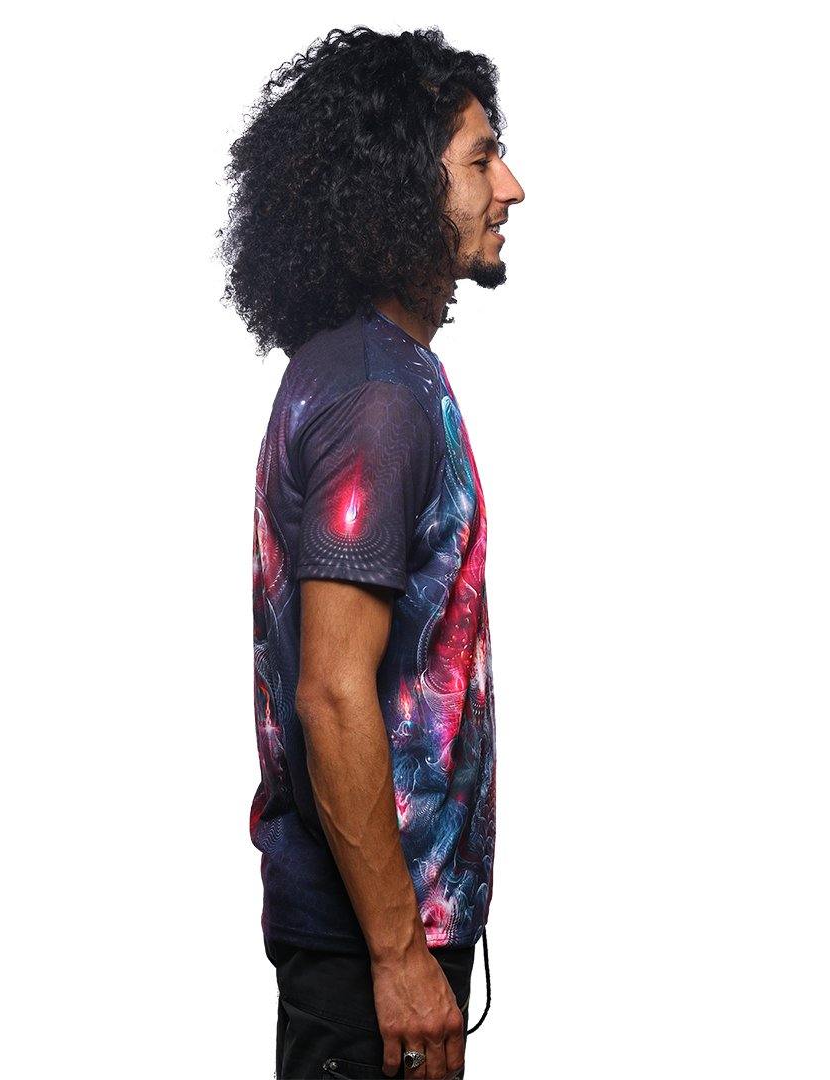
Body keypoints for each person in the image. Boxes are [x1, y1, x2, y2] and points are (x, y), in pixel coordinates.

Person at [218, 26, 525, 1080]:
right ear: (402, 189)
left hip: (377, 933)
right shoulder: (377, 396)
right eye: (481, 160)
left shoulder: (365, 369)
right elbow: (333, 691)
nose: (510, 188)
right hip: (372, 948)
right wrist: (399, 955)